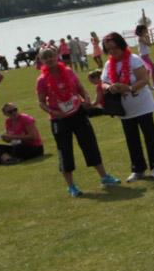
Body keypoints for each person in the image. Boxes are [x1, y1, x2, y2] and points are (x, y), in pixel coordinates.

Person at [34, 47, 119, 196]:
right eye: (45, 57)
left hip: (77, 113)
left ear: (57, 56)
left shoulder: (68, 71)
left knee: (89, 143)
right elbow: (41, 102)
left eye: (51, 56)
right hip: (59, 119)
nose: (49, 59)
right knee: (65, 150)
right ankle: (72, 186)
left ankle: (104, 177)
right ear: (41, 61)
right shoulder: (42, 80)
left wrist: (86, 98)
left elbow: (80, 88)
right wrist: (53, 112)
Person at [103, 32, 154, 180]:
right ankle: (138, 169)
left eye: (114, 48)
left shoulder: (133, 59)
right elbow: (103, 82)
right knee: (132, 140)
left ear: (121, 45)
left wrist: (129, 88)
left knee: (150, 136)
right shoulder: (108, 64)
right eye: (109, 49)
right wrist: (108, 88)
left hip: (142, 106)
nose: (112, 52)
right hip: (125, 110)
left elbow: (144, 79)